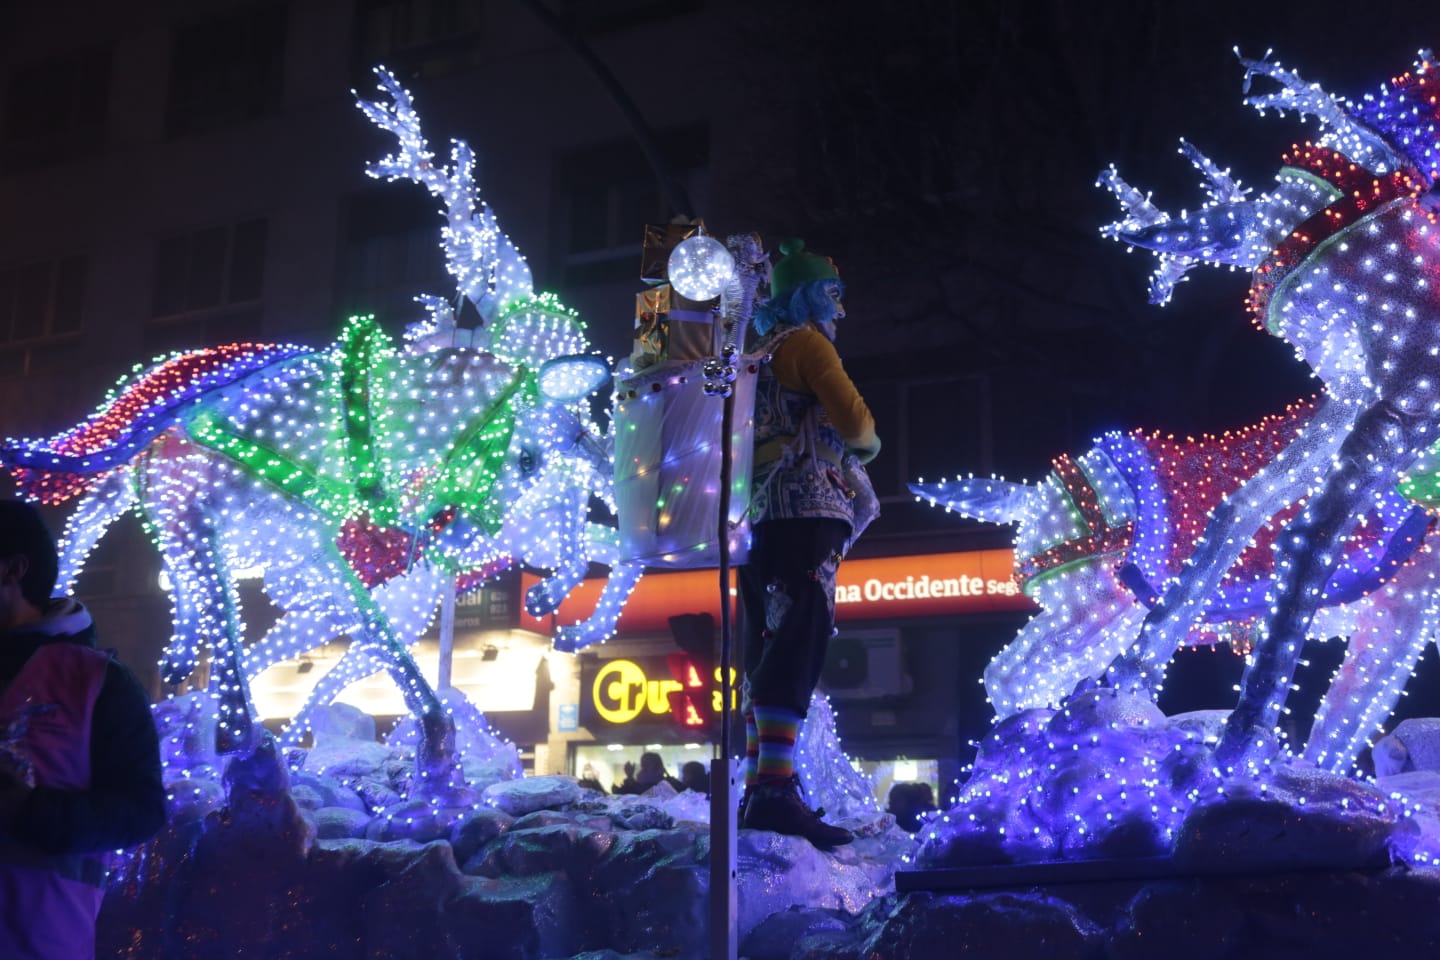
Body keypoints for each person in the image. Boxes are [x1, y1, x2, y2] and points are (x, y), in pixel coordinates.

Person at [738, 239, 881, 849]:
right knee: (801, 636)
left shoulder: (755, 352)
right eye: (832, 293)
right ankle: (773, 791)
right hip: (811, 504)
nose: (840, 310)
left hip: (758, 516)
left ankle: (763, 784)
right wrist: (865, 446)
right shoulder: (807, 345)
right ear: (806, 296)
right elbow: (858, 427)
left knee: (769, 642)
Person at [0, 500, 166, 959]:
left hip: (37, 941)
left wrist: (31, 810)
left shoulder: (99, 681)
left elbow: (143, 810)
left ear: (12, 570)